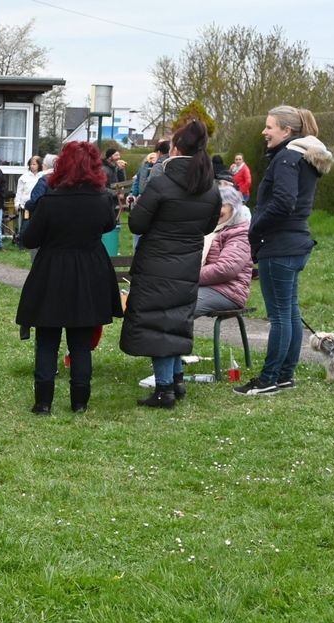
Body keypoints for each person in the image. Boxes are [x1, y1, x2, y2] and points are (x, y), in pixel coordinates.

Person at [15, 141, 123, 414]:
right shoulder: (101, 200)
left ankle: (43, 403)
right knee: (81, 341)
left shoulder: (50, 202)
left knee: (47, 338)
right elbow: (109, 224)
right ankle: (79, 403)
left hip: (53, 270)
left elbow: (29, 239)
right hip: (89, 271)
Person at [120, 119, 221, 408]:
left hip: (157, 262)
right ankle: (176, 380)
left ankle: (164, 389)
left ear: (175, 148)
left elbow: (138, 225)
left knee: (157, 323)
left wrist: (134, 206)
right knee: (175, 319)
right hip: (188, 262)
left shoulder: (162, 183)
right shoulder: (211, 188)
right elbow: (207, 227)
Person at [234, 106, 333, 395]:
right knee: (288, 312)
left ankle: (269, 379)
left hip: (280, 245)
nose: (264, 132)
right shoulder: (301, 158)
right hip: (295, 242)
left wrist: (254, 229)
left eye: (270, 127)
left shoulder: (287, 158)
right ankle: (285, 375)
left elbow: (283, 203)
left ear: (287, 131)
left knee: (280, 315)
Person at [195, 183, 252, 316]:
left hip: (228, 291)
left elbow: (225, 269)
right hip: (203, 285)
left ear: (234, 208)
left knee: (181, 308)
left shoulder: (241, 233)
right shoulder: (210, 229)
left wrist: (189, 275)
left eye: (222, 205)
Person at [13, 155, 42, 246]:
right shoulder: (23, 177)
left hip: (39, 204)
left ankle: (36, 244)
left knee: (38, 225)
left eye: (34, 164)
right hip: (26, 205)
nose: (32, 166)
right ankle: (22, 244)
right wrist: (17, 203)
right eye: (31, 164)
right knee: (25, 225)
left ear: (39, 165)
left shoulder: (43, 176)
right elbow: (19, 192)